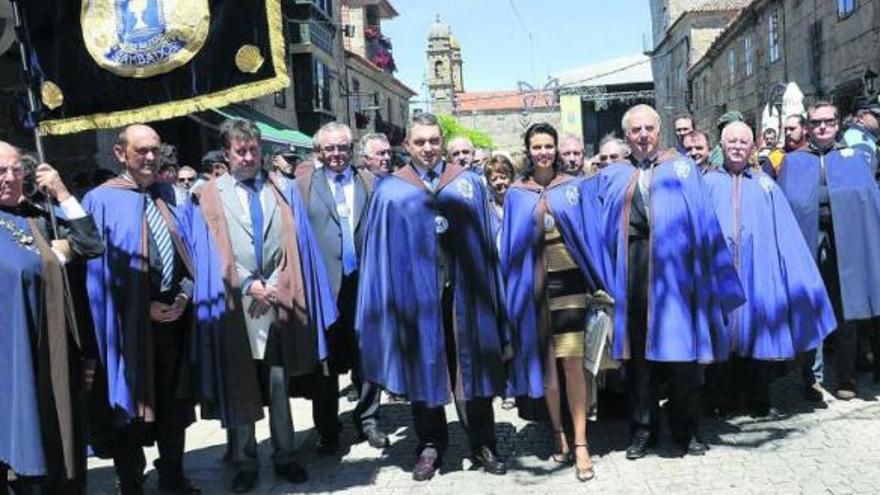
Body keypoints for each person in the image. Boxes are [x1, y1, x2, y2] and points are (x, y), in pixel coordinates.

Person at [183, 119, 337, 493]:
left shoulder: (282, 189)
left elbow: (296, 245)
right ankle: (244, 460)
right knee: (238, 380)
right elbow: (206, 253)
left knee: (280, 381)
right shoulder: (207, 195)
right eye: (241, 150)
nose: (249, 157)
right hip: (233, 303)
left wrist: (273, 286)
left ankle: (286, 454)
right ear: (227, 153)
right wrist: (248, 285)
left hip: (278, 298)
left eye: (254, 149)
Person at [355, 113, 509, 481]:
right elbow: (379, 255)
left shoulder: (468, 184)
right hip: (415, 300)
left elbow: (488, 246)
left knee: (472, 369)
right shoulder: (391, 191)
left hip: (465, 295)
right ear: (407, 145)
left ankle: (483, 441)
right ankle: (429, 445)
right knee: (423, 368)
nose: (428, 148)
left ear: (442, 142)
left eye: (434, 141)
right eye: (420, 142)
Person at [596, 104, 744, 459]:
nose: (643, 135)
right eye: (636, 130)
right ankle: (643, 430)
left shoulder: (682, 167)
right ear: (627, 136)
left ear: (659, 131)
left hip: (677, 278)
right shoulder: (616, 174)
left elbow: (705, 221)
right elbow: (600, 229)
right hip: (634, 273)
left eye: (649, 128)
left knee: (682, 359)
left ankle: (687, 430)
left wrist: (714, 279)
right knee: (640, 363)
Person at [83, 124, 199, 495]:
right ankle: (131, 483)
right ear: (121, 154)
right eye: (141, 151)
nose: (151, 157)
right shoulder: (100, 200)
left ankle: (173, 478)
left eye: (155, 150)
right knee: (130, 409)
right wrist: (140, 306)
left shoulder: (171, 194)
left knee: (173, 405)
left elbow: (192, 254)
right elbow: (96, 273)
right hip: (128, 327)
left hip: (173, 321)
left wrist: (184, 293)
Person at [500, 123, 612, 481]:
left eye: (549, 146)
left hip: (571, 290)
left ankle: (581, 443)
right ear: (528, 150)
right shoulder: (517, 193)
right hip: (533, 292)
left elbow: (591, 237)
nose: (544, 152)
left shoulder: (574, 186)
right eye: (537, 146)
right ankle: (558, 435)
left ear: (557, 149)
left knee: (572, 366)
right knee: (548, 369)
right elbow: (510, 249)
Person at [703, 122, 837, 416]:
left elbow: (786, 234)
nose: (737, 146)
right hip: (720, 275)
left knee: (757, 335)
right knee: (722, 337)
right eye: (731, 141)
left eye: (743, 142)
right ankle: (722, 399)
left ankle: (757, 398)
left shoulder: (765, 185)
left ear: (752, 147)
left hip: (757, 272)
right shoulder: (708, 183)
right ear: (721, 146)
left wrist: (798, 275)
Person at [0, 142, 103, 494]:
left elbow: (91, 245)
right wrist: (49, 260)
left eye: (17, 170)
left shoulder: (39, 216)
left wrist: (60, 193)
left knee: (58, 452)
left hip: (52, 355)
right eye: (1, 170)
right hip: (9, 361)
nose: (10, 178)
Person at [776, 101, 880, 402]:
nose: (822, 127)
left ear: (837, 124)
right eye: (816, 122)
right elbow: (786, 203)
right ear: (808, 126)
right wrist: (827, 197)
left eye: (828, 121)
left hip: (846, 246)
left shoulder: (853, 159)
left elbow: (866, 198)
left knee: (846, 310)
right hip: (807, 247)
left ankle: (846, 376)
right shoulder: (794, 162)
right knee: (810, 307)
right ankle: (812, 377)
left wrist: (825, 197)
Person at [294, 122, 387, 453]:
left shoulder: (370, 182)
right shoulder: (301, 186)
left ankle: (369, 421)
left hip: (364, 284)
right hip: (323, 288)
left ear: (353, 150)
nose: (336, 154)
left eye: (342, 147)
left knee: (367, 355)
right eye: (329, 148)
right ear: (318, 151)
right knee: (326, 364)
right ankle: (328, 429)